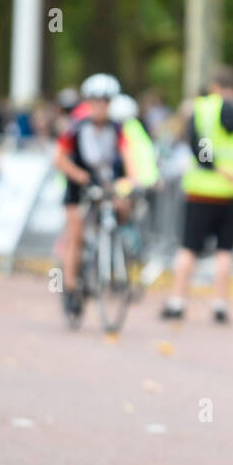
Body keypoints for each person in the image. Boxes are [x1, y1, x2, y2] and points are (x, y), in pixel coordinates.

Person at [161, 65, 233, 323]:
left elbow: (198, 148)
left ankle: (177, 301)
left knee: (188, 247)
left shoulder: (202, 108)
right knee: (225, 250)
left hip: (201, 190)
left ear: (214, 86)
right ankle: (219, 304)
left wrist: (216, 168)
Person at [53, 72, 139, 318]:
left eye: (106, 102)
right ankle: (70, 287)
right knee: (76, 234)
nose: (101, 107)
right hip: (79, 184)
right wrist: (80, 176)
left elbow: (128, 158)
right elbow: (59, 159)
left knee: (123, 205)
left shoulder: (117, 129)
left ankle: (117, 256)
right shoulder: (76, 128)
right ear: (89, 103)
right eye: (96, 102)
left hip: (105, 182)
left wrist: (130, 181)